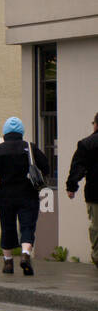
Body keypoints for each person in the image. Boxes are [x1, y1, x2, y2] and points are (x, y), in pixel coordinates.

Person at [0, 116, 49, 276]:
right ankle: (25, 253)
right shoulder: (30, 148)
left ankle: (8, 262)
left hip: (5, 196)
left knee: (7, 227)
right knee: (27, 226)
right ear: (21, 132)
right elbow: (45, 165)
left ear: (5, 132)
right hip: (28, 195)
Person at [65, 111, 98, 269]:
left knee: (96, 229)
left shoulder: (87, 144)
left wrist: (72, 186)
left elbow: (78, 167)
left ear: (96, 125)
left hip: (95, 193)